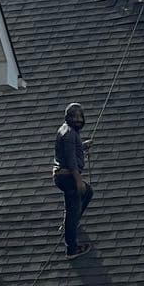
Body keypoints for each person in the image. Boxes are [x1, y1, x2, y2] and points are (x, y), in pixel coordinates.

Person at [53, 102, 92, 259]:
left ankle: (71, 223)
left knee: (88, 193)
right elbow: (70, 160)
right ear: (67, 118)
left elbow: (70, 150)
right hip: (68, 176)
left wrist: (82, 147)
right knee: (73, 208)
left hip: (63, 175)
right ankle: (72, 249)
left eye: (80, 116)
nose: (78, 120)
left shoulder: (67, 130)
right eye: (74, 117)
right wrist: (78, 181)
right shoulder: (69, 133)